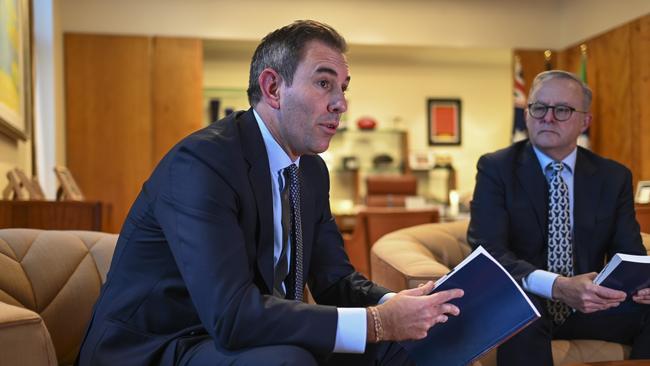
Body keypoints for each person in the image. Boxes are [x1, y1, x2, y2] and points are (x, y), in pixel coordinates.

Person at [76, 20, 463, 366]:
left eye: (343, 88)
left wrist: (395, 306)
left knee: (409, 345)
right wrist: (377, 323)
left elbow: (334, 280)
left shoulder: (311, 170)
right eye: (324, 83)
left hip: (241, 338)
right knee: (288, 359)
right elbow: (231, 315)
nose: (341, 103)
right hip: (163, 344)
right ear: (273, 87)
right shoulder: (202, 163)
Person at [468, 70, 650, 365]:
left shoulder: (613, 177)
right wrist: (557, 286)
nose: (547, 117)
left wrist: (641, 285)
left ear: (585, 121)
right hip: (525, 299)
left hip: (589, 304)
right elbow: (487, 251)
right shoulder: (496, 168)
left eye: (562, 109)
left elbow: (628, 251)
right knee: (521, 317)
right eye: (539, 107)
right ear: (526, 114)